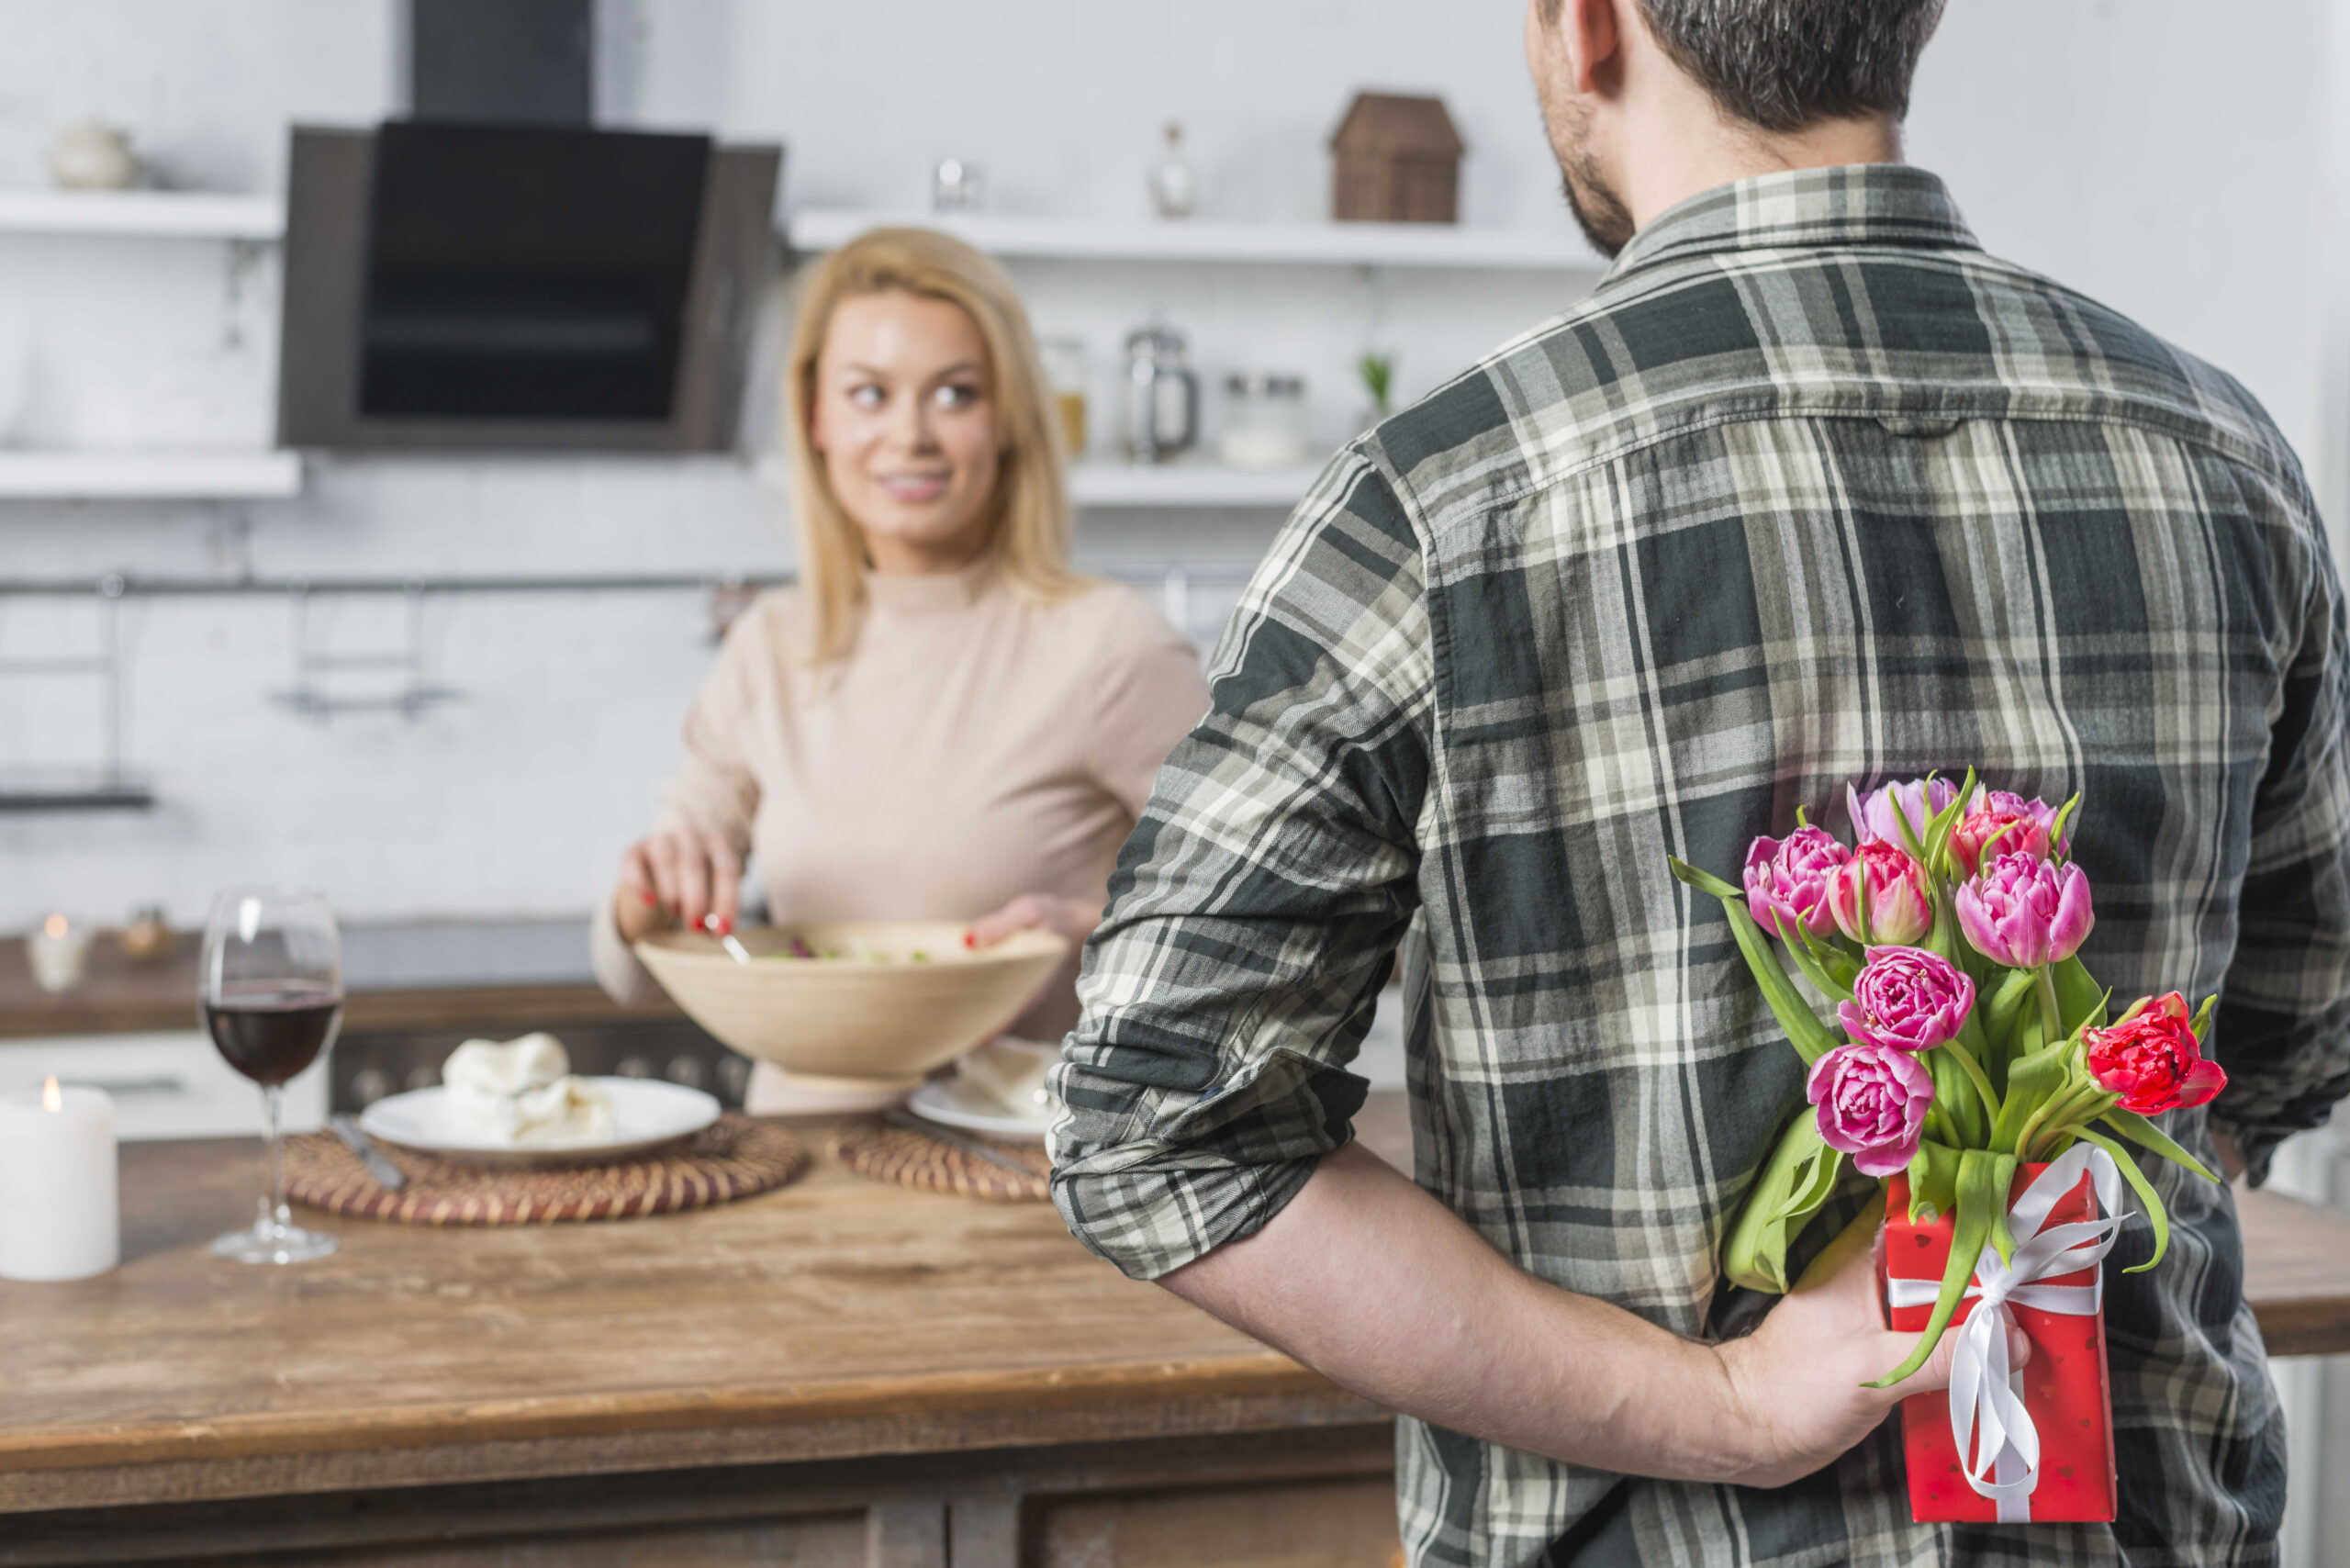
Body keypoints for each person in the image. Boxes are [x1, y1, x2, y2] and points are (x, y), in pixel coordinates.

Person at [1052, 1, 2344, 1562]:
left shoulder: (1441, 502)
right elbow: (2277, 1043)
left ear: (1585, 30)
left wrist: (1727, 1400)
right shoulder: (2222, 456)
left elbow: (1151, 1121)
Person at [594, 227, 1207, 1110]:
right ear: (817, 419)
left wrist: (1094, 939)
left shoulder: (1111, 648)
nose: (909, 435)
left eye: (955, 394)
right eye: (869, 394)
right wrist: (647, 893)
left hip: (1022, 1173)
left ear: (1006, 421)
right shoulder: (769, 646)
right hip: (801, 1164)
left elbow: (1267, 922)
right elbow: (629, 971)